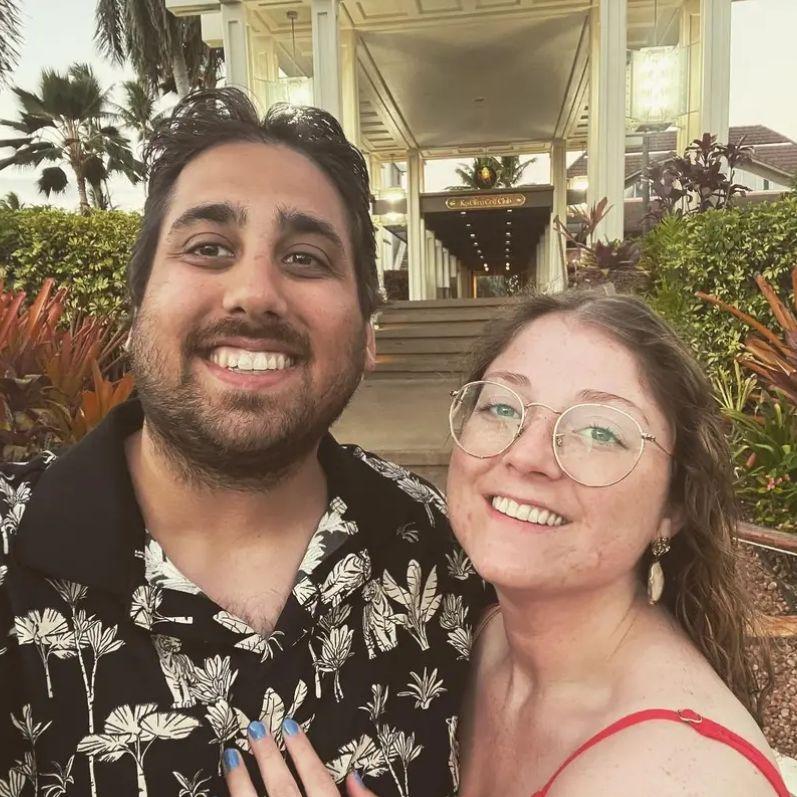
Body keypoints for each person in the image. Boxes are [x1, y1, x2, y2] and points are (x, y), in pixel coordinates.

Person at [0, 89, 491, 797]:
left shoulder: (438, 549)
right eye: (208, 249)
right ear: (135, 312)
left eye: (306, 258)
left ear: (366, 336)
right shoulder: (12, 545)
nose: (255, 292)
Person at [223, 291, 790, 797]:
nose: (526, 455)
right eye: (501, 407)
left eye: (599, 431)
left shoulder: (679, 777)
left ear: (674, 506)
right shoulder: (459, 632)